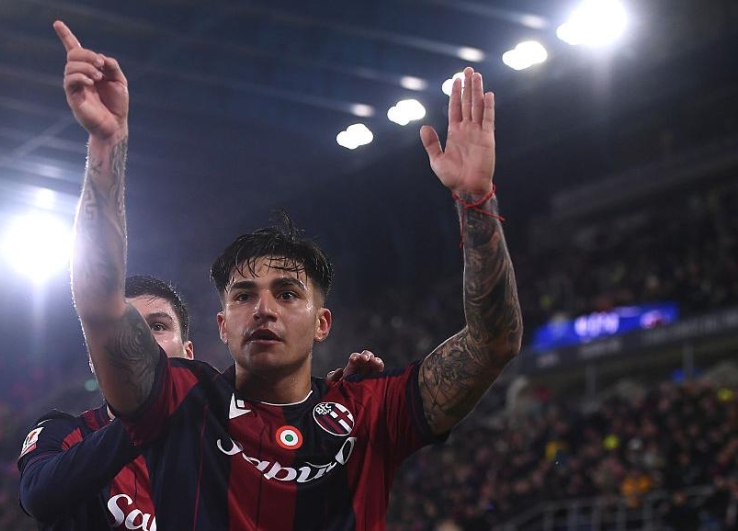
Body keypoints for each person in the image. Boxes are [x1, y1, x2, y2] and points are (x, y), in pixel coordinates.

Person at [56, 13, 522, 531]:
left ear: (322, 322)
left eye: (287, 293)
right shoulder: (180, 399)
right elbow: (100, 304)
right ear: (221, 325)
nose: (264, 309)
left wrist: (476, 200)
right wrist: (106, 144)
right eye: (243, 296)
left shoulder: (369, 412)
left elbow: (493, 342)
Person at [18, 274, 384, 530]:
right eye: (124, 329)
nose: (139, 342)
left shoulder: (232, 434)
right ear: (96, 360)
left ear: (188, 355)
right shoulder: (64, 432)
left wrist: (333, 408)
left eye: (158, 327)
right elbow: (40, 495)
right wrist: (149, 419)